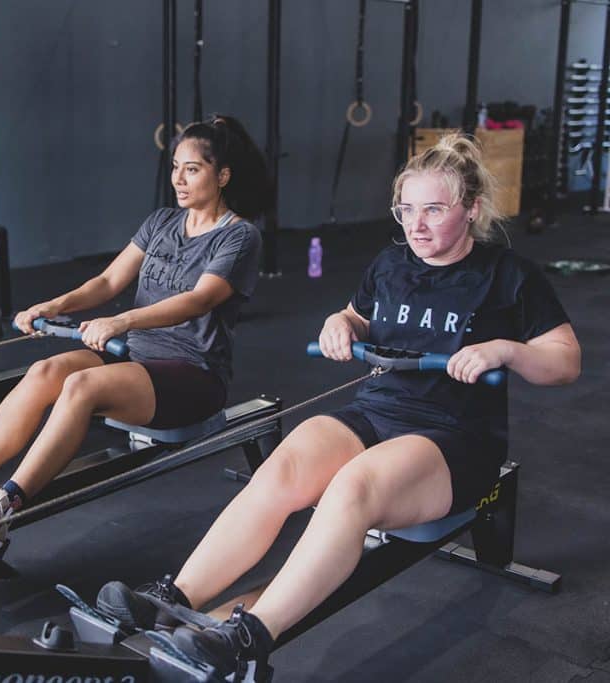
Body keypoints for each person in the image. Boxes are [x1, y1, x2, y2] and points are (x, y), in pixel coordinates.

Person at [95, 133, 582, 677]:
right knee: (283, 467)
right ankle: (172, 597)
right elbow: (356, 315)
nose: (416, 225)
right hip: (375, 411)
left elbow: (565, 361)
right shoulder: (391, 263)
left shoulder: (509, 275)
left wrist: (505, 350)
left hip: (454, 435)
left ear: (471, 209)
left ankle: (249, 633)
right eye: (406, 210)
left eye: (434, 210)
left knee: (352, 487)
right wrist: (340, 322)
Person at [0, 115, 267, 539]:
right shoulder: (161, 222)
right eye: (175, 167)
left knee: (82, 387)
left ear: (222, 175)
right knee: (45, 371)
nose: (178, 179)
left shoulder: (239, 237)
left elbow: (200, 299)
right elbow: (108, 281)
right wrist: (53, 304)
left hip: (194, 373)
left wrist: (121, 320)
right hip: (137, 357)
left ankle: (1, 507)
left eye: (192, 169)